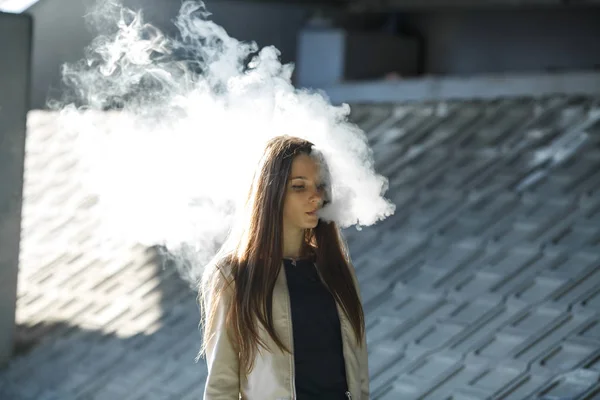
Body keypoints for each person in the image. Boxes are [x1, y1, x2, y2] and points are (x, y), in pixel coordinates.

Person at [198, 135, 370, 399]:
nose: (316, 197)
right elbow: (221, 386)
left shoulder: (336, 270)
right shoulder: (233, 275)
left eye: (320, 186)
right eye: (299, 186)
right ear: (272, 192)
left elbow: (358, 372)